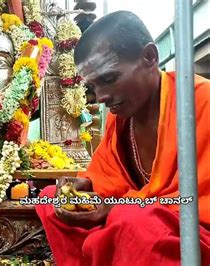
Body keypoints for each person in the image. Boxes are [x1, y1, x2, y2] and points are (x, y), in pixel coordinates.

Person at [35, 11, 210, 266]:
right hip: (136, 220)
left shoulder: (200, 102)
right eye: (93, 87)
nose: (102, 96)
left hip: (193, 233)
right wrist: (79, 187)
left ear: (150, 57)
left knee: (133, 221)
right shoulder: (121, 118)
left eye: (109, 79)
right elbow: (107, 179)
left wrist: (117, 208)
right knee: (52, 199)